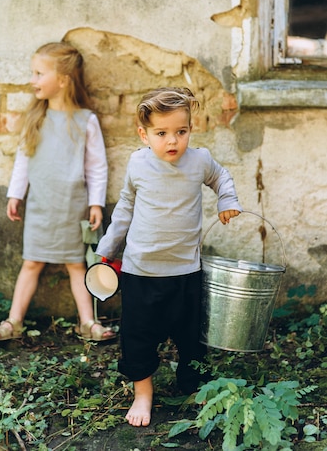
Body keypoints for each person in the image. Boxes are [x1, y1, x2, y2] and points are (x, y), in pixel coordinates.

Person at [95, 87, 242, 427]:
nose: (172, 141)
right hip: (141, 272)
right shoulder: (137, 164)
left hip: (186, 271)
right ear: (143, 134)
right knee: (138, 337)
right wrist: (107, 249)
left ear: (191, 128)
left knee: (191, 337)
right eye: (162, 133)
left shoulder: (199, 161)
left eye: (181, 131)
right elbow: (126, 208)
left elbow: (221, 176)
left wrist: (227, 200)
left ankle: (193, 388)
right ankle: (143, 393)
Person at [0, 41, 116, 342]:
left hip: (72, 205)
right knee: (31, 262)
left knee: (76, 264)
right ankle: (13, 321)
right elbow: (23, 160)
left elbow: (97, 166)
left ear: (63, 80)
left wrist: (96, 203)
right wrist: (15, 195)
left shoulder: (86, 121)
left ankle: (88, 323)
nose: (33, 80)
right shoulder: (36, 118)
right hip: (41, 205)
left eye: (39, 73)